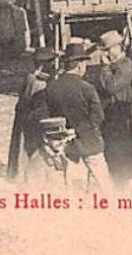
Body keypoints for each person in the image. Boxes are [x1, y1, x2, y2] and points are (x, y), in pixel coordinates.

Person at [43, 39, 111, 190]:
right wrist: (79, 130)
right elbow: (98, 117)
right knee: (104, 184)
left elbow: (49, 116)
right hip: (90, 143)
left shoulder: (51, 87)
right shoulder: (87, 88)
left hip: (67, 145)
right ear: (80, 65)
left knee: (74, 186)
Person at [96, 30, 132, 187]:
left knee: (121, 160)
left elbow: (110, 87)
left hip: (122, 122)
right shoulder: (116, 66)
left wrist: (105, 68)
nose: (105, 53)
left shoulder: (126, 66)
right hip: (111, 120)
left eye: (108, 49)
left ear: (118, 47)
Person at [8, 48, 57, 179]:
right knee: (31, 147)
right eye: (51, 62)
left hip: (24, 115)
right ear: (44, 63)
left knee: (22, 145)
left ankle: (20, 171)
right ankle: (26, 174)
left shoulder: (31, 76)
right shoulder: (39, 81)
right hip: (31, 117)